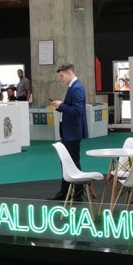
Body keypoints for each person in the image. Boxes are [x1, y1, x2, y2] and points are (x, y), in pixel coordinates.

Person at [51, 63, 89, 201]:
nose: (61, 79)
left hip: (72, 132)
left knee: (71, 162)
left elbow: (77, 111)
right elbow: (73, 108)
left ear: (68, 72)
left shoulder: (77, 88)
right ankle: (70, 191)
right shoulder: (74, 87)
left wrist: (61, 105)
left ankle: (75, 193)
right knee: (69, 161)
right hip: (70, 131)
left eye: (62, 76)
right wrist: (61, 106)